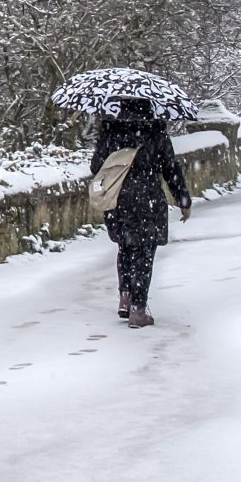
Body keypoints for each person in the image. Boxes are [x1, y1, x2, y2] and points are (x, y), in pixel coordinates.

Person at [89, 94, 191, 325]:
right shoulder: (156, 132)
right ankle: (138, 308)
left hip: (118, 198)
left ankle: (125, 297)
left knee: (125, 246)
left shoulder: (110, 131)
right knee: (145, 252)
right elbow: (171, 168)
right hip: (147, 198)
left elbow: (96, 166)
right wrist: (183, 200)